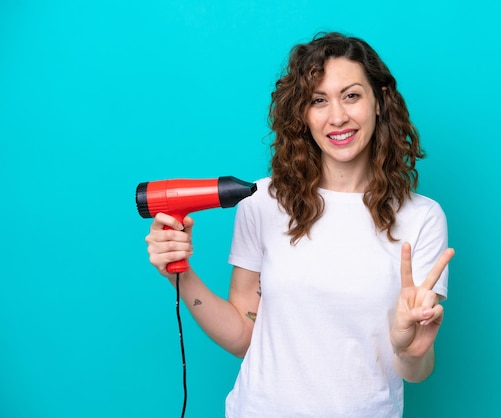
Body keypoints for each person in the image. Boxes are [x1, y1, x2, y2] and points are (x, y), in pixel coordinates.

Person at [145, 32, 454, 418]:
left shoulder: (422, 218)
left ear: (380, 101)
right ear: (303, 114)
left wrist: (410, 348)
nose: (337, 116)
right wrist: (180, 275)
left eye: (352, 95)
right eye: (318, 100)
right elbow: (245, 335)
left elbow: (416, 370)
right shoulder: (262, 200)